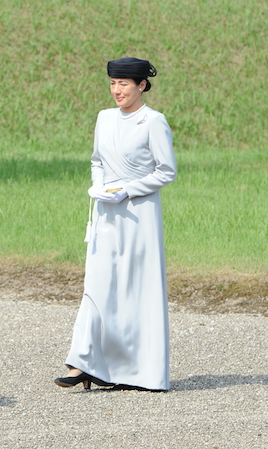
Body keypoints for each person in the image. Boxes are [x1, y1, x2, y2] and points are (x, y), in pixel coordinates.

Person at [55, 57, 176, 391]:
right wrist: (100, 187)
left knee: (136, 289)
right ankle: (82, 361)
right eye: (112, 83)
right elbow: (97, 161)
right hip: (105, 213)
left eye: (124, 84)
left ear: (142, 85)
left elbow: (167, 170)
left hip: (139, 216)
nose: (116, 90)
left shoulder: (153, 121)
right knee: (98, 285)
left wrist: (126, 190)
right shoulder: (104, 119)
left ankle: (139, 373)